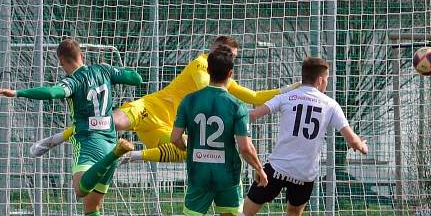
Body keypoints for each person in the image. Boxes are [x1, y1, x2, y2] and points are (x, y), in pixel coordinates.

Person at [196, 56, 368, 216]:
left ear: (303, 77)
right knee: (293, 213)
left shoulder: (287, 96)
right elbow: (352, 140)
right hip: (304, 174)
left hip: (275, 169)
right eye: (327, 79)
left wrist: (226, 121)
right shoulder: (330, 105)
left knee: (246, 210)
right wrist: (362, 146)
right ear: (321, 80)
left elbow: (253, 115)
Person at [0, 38, 142, 216]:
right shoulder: (103, 69)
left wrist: (18, 92)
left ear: (62, 61)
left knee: (80, 190)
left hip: (91, 142)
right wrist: (118, 73)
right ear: (81, 55)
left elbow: (53, 92)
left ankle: (118, 152)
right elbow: (136, 78)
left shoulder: (73, 80)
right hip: (109, 137)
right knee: (92, 207)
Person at [29, 35, 298, 163]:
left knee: (187, 152)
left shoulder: (223, 79)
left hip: (166, 127)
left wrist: (296, 86)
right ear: (214, 49)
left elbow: (254, 96)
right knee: (105, 122)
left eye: (232, 56)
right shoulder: (200, 64)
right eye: (225, 52)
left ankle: (131, 156)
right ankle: (57, 138)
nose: (228, 58)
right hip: (149, 108)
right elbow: (207, 90)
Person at [168, 46, 268, 216]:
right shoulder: (236, 105)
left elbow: (174, 138)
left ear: (208, 70)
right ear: (231, 73)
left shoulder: (189, 100)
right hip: (227, 173)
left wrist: (189, 148)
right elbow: (244, 147)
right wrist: (259, 169)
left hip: (198, 170)